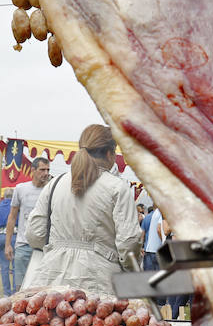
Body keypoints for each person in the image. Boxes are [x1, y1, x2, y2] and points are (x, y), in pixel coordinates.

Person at [24, 124, 140, 295]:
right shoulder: (118, 188)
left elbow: (35, 235)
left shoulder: (54, 184)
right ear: (110, 154)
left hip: (51, 276)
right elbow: (129, 242)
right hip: (99, 280)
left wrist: (58, 248)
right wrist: (127, 267)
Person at [5, 157, 51, 291]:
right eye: (42, 169)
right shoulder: (20, 189)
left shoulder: (51, 189)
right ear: (33, 170)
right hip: (23, 245)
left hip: (44, 247)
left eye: (48, 170)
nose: (46, 173)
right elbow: (12, 217)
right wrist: (8, 244)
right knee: (19, 287)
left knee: (41, 288)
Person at [0, 190, 14, 294]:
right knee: (15, 265)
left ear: (4, 197)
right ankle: (16, 291)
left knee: (4, 266)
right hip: (14, 235)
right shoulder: (15, 206)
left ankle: (6, 292)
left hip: (1, 236)